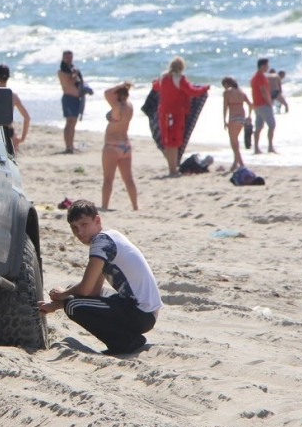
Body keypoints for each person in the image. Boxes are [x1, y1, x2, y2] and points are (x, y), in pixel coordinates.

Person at [37, 200, 162, 355]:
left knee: (72, 305)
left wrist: (61, 299)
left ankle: (125, 342)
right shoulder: (110, 236)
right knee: (74, 294)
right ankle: (127, 337)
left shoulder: (101, 242)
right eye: (74, 228)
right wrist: (66, 295)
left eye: (84, 225)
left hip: (141, 313)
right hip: (146, 311)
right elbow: (93, 292)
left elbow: (85, 289)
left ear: (97, 220)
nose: (79, 232)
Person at [152, 56, 210, 176]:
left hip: (163, 113)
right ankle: (173, 171)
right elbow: (192, 91)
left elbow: (156, 86)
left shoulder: (163, 77)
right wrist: (205, 88)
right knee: (174, 141)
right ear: (182, 67)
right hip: (175, 114)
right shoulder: (180, 79)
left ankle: (171, 168)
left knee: (167, 141)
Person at [101, 82, 138, 211]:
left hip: (112, 145)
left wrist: (120, 85)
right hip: (126, 145)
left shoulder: (117, 107)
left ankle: (105, 206)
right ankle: (135, 206)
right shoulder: (130, 107)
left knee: (108, 179)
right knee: (128, 179)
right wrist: (124, 87)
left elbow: (106, 92)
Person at [0, 64, 31, 148]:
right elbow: (27, 118)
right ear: (8, 77)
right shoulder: (13, 96)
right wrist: (22, 138)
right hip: (9, 131)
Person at [221, 76, 253, 172]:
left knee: (233, 143)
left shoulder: (227, 93)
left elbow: (225, 107)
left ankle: (242, 165)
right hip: (242, 118)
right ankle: (235, 164)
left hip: (233, 117)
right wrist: (249, 116)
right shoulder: (241, 92)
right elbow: (250, 104)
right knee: (236, 141)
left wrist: (224, 120)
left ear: (227, 84)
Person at [250, 58, 277, 154]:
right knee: (272, 125)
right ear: (262, 66)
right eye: (266, 66)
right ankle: (270, 147)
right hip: (263, 104)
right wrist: (269, 102)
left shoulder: (255, 77)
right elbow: (263, 91)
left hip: (257, 104)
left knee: (259, 127)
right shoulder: (260, 77)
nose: (268, 67)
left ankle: (256, 148)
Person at [58, 50, 82, 153]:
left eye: (70, 57)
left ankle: (71, 145)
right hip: (68, 98)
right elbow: (68, 83)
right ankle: (68, 146)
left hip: (76, 99)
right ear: (63, 58)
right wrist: (75, 74)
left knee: (74, 123)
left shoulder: (73, 69)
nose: (69, 59)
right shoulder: (62, 71)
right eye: (67, 57)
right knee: (69, 122)